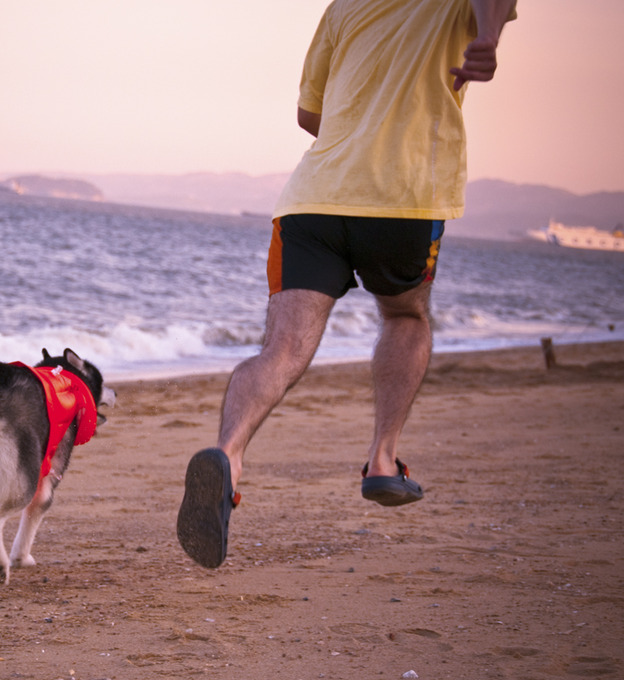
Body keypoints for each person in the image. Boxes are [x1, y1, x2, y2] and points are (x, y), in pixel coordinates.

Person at [177, 0, 518, 569]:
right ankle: (383, 460)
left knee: (281, 352)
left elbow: (310, 115)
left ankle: (229, 455)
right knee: (405, 316)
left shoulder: (345, 7)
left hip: (312, 201)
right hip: (402, 201)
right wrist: (486, 40)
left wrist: (355, 120)